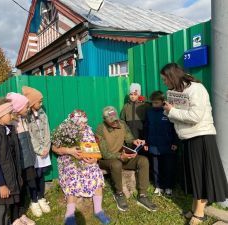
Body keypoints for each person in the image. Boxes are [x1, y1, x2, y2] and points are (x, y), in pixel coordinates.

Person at [161, 63, 228, 225]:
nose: (164, 82)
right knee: (194, 175)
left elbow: (195, 116)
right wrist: (169, 110)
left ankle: (199, 213)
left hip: (201, 137)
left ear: (172, 77)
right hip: (188, 138)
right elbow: (173, 117)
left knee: (202, 176)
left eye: (165, 79)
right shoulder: (177, 92)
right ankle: (194, 208)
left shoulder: (196, 89)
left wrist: (172, 111)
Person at [52, 110, 110, 225]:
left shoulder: (88, 130)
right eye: (81, 123)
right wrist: (69, 151)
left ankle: (98, 210)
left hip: (87, 159)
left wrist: (94, 158)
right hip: (70, 160)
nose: (84, 125)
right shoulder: (65, 129)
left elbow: (93, 147)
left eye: (85, 122)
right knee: (72, 177)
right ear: (74, 122)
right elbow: (54, 148)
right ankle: (70, 214)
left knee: (96, 174)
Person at [96, 106, 157, 212]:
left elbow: (129, 138)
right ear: (105, 119)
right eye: (111, 121)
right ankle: (119, 194)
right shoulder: (100, 129)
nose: (115, 122)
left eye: (115, 119)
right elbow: (105, 154)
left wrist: (134, 141)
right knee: (116, 164)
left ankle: (142, 195)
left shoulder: (122, 124)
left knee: (143, 160)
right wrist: (120, 156)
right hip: (107, 160)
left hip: (122, 156)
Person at [6, 92, 37, 225]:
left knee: (25, 188)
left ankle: (22, 214)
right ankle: (14, 218)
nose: (28, 109)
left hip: (28, 161)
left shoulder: (23, 120)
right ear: (17, 108)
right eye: (26, 106)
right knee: (17, 189)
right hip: (18, 164)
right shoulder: (11, 124)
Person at [22, 87, 51, 218]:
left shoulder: (43, 114)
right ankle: (33, 201)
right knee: (33, 175)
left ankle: (41, 198)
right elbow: (30, 135)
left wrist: (46, 147)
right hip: (35, 151)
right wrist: (39, 150)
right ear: (32, 102)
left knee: (41, 175)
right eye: (39, 101)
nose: (41, 103)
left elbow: (47, 130)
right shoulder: (26, 118)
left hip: (44, 150)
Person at [145, 91, 178, 196]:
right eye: (153, 103)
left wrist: (175, 142)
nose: (154, 105)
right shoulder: (149, 112)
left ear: (163, 102)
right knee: (156, 167)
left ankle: (168, 187)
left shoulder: (168, 111)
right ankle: (158, 186)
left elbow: (175, 127)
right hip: (154, 144)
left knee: (168, 167)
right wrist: (146, 142)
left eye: (157, 103)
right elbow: (146, 128)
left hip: (168, 145)